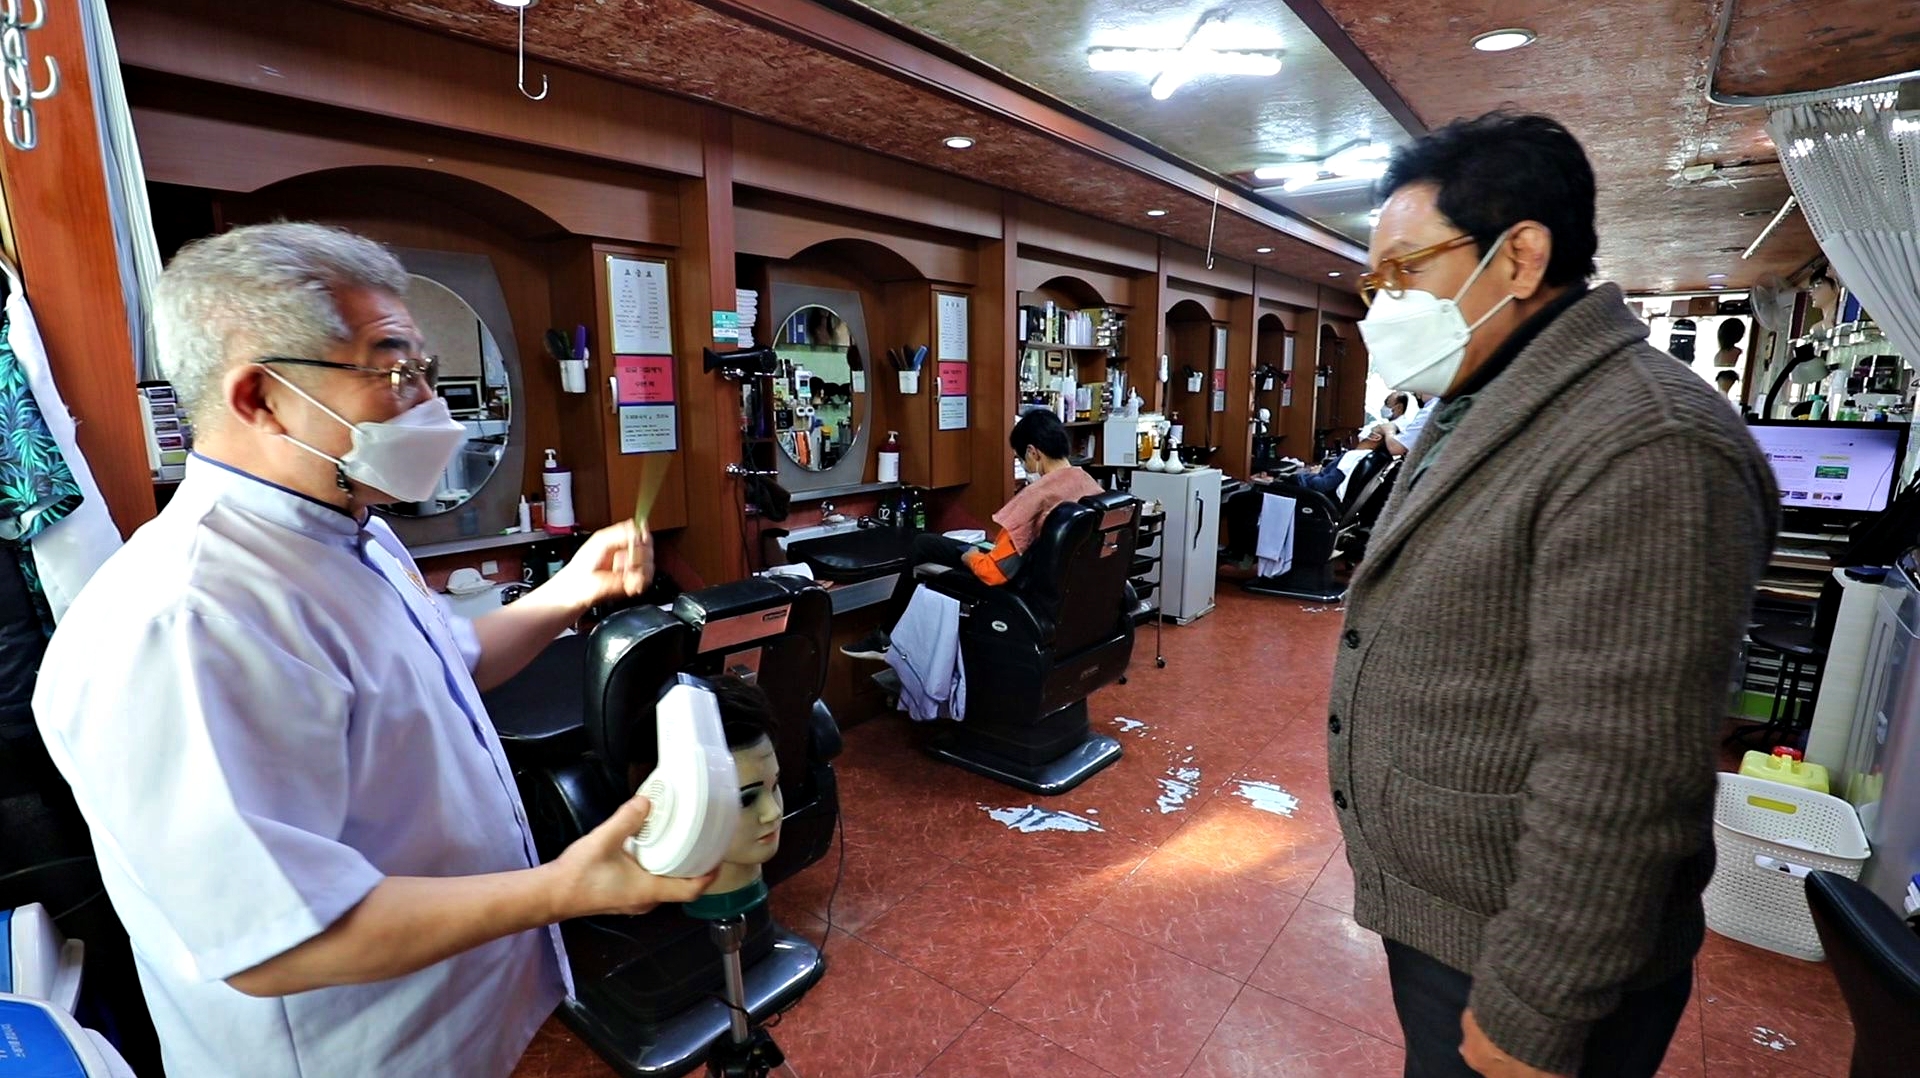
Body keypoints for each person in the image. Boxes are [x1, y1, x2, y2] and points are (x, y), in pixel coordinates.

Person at [31, 223, 715, 1078]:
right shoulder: (183, 621)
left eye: (426, 369)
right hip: (353, 1053)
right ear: (261, 398)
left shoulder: (357, 530)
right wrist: (566, 887)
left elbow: (445, 666)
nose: (431, 405)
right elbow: (279, 939)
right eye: (394, 372)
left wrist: (570, 591)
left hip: (458, 1021)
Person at [1331, 112, 1777, 1078]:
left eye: (1405, 269)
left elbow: (1624, 773)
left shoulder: (1647, 442)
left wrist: (1535, 1006)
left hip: (1530, 953)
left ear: (1519, 257)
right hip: (1457, 915)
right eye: (1376, 281)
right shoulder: (1480, 400)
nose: (1384, 305)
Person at [842, 408, 1100, 658]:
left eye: (1022, 459)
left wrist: (970, 557)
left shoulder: (1037, 497)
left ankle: (885, 637)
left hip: (1013, 589)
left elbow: (993, 572)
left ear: (1033, 452)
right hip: (1064, 595)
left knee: (923, 545)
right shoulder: (1088, 485)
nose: (1025, 465)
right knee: (938, 544)